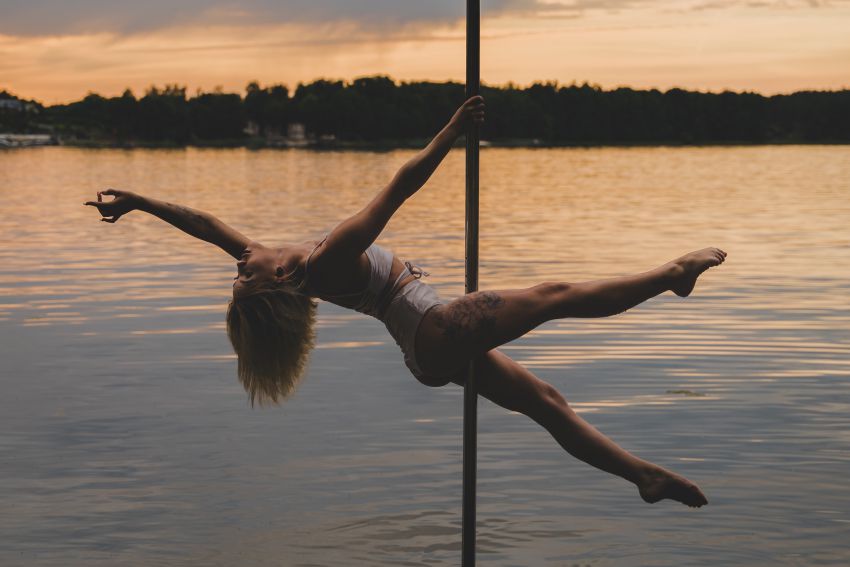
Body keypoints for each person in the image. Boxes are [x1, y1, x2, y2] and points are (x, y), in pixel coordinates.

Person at [86, 96, 725, 508]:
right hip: (434, 329)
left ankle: (640, 475)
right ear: (270, 288)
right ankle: (670, 275)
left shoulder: (269, 261)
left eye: (234, 279)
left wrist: (139, 202)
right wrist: (451, 129)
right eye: (238, 285)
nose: (234, 271)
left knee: (545, 402)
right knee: (552, 296)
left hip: (424, 346)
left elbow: (202, 222)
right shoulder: (320, 262)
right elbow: (399, 186)